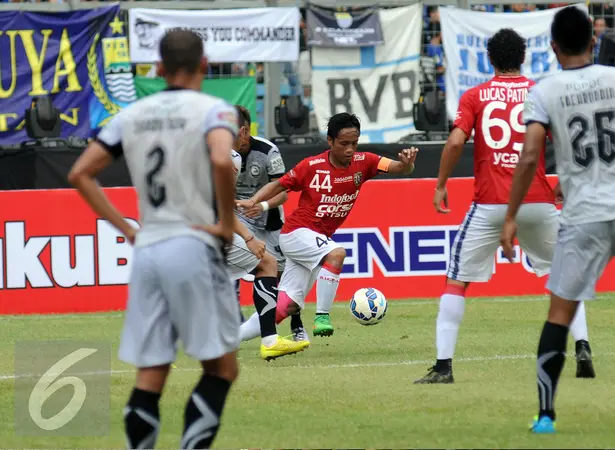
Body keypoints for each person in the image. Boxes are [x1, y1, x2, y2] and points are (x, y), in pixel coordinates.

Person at [500, 6, 615, 433]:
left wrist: (511, 215)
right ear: (594, 42)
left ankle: (545, 415)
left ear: (553, 47)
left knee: (559, 316)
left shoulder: (544, 92)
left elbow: (530, 156)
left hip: (582, 216)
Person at [68, 29, 241, 449]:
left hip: (147, 249)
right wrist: (226, 222)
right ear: (205, 64)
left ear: (159, 69)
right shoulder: (215, 110)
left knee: (151, 373)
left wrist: (127, 229)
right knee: (221, 370)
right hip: (192, 245)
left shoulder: (132, 113)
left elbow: (80, 174)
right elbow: (222, 158)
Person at [414, 28, 595, 385]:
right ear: (523, 58)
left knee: (457, 282)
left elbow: (454, 142)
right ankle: (584, 346)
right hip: (539, 200)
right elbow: (575, 144)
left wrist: (441, 184)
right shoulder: (541, 93)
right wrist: (567, 185)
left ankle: (443, 366)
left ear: (490, 59)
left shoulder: (475, 96)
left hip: (491, 203)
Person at [236, 113, 418, 336]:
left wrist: (407, 164)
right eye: (344, 144)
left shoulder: (365, 161)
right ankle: (322, 316)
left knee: (285, 306)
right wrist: (255, 201)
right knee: (337, 253)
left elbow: (399, 168)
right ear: (330, 141)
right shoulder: (311, 166)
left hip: (314, 240)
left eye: (354, 143)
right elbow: (279, 186)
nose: (350, 149)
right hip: (296, 233)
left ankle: (231, 340)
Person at [227, 149, 310, 360]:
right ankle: (270, 341)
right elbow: (222, 209)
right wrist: (249, 238)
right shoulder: (221, 162)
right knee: (267, 263)